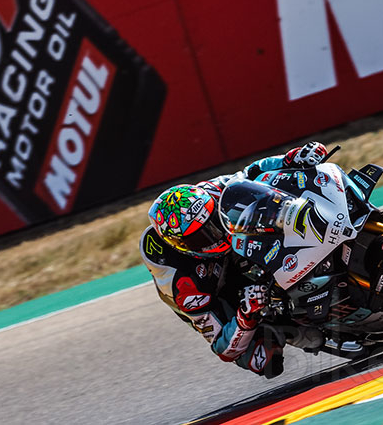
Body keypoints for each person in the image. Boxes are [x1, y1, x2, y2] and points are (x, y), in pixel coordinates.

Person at [139, 142, 328, 378]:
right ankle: (293, 326)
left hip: (237, 244)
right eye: (200, 237)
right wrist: (246, 315)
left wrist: (291, 158)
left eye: (211, 221)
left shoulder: (209, 193)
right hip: (223, 294)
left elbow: (253, 172)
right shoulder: (184, 286)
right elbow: (222, 347)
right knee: (262, 359)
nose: (213, 236)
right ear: (180, 246)